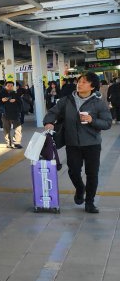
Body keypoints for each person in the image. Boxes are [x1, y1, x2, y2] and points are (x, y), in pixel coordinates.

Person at [43, 72, 113, 214]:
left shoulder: (98, 103)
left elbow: (107, 123)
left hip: (92, 144)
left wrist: (92, 120)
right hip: (72, 143)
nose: (79, 84)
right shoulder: (67, 100)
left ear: (92, 86)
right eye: (79, 81)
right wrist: (49, 122)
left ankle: (90, 202)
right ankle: (80, 188)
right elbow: (53, 111)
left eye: (84, 82)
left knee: (92, 173)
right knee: (73, 171)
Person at [0, 80, 23, 149]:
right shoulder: (0, 94)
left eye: (11, 86)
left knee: (18, 128)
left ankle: (17, 143)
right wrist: (2, 100)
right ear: (5, 86)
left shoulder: (15, 93)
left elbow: (20, 103)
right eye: (8, 86)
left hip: (15, 113)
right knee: (6, 129)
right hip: (5, 114)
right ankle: (8, 143)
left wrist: (15, 100)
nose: (10, 87)